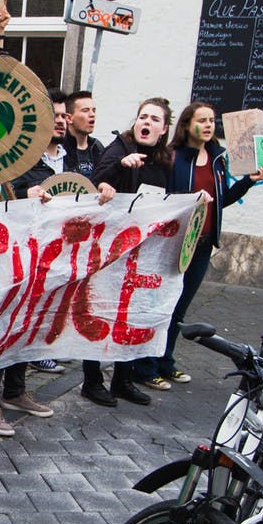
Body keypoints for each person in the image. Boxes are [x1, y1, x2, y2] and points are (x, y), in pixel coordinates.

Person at [157, 100, 263, 384]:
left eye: (211, 120)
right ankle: (146, 366)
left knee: (180, 307)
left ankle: (165, 362)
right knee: (163, 303)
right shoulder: (173, 157)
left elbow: (222, 201)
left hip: (204, 244)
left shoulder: (219, 157)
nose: (208, 125)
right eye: (202, 120)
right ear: (186, 124)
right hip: (178, 242)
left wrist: (248, 182)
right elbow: (165, 200)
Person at [89, 98, 179, 400]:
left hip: (144, 252)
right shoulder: (120, 148)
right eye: (143, 116)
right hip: (112, 250)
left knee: (133, 315)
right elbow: (94, 182)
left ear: (164, 129)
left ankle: (123, 381)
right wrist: (118, 167)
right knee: (103, 312)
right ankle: (92, 382)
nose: (147, 122)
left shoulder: (164, 160)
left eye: (155, 119)